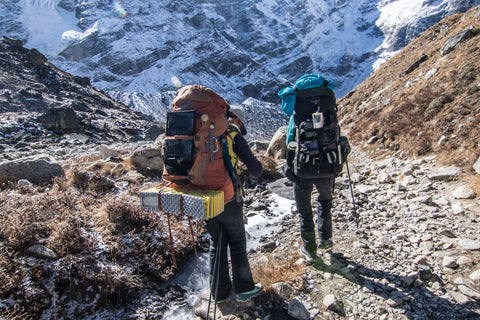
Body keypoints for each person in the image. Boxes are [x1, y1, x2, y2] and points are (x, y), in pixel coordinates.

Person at [204, 105, 263, 303]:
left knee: (216, 243)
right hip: (228, 198)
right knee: (237, 242)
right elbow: (256, 169)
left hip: (204, 197)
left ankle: (219, 294)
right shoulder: (234, 136)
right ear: (236, 120)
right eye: (240, 123)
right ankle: (244, 289)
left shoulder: (204, 132)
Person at [279, 74, 337, 263]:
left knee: (304, 209)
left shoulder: (297, 110)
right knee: (325, 201)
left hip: (303, 165)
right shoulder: (328, 101)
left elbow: (290, 138)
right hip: (328, 162)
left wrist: (288, 161)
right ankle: (326, 240)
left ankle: (309, 249)